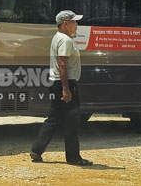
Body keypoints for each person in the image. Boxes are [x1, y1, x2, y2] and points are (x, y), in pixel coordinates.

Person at [30, 10, 93, 166]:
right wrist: (66, 89)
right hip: (65, 83)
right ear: (66, 24)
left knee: (54, 118)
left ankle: (37, 150)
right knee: (72, 121)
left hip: (56, 82)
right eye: (74, 22)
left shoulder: (58, 37)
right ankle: (73, 157)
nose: (76, 25)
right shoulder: (66, 40)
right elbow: (62, 64)